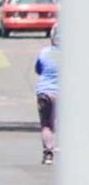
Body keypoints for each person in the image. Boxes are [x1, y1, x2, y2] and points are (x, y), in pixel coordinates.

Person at [35, 28, 59, 165]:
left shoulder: (44, 52)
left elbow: (38, 69)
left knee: (46, 125)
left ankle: (48, 154)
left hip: (44, 91)